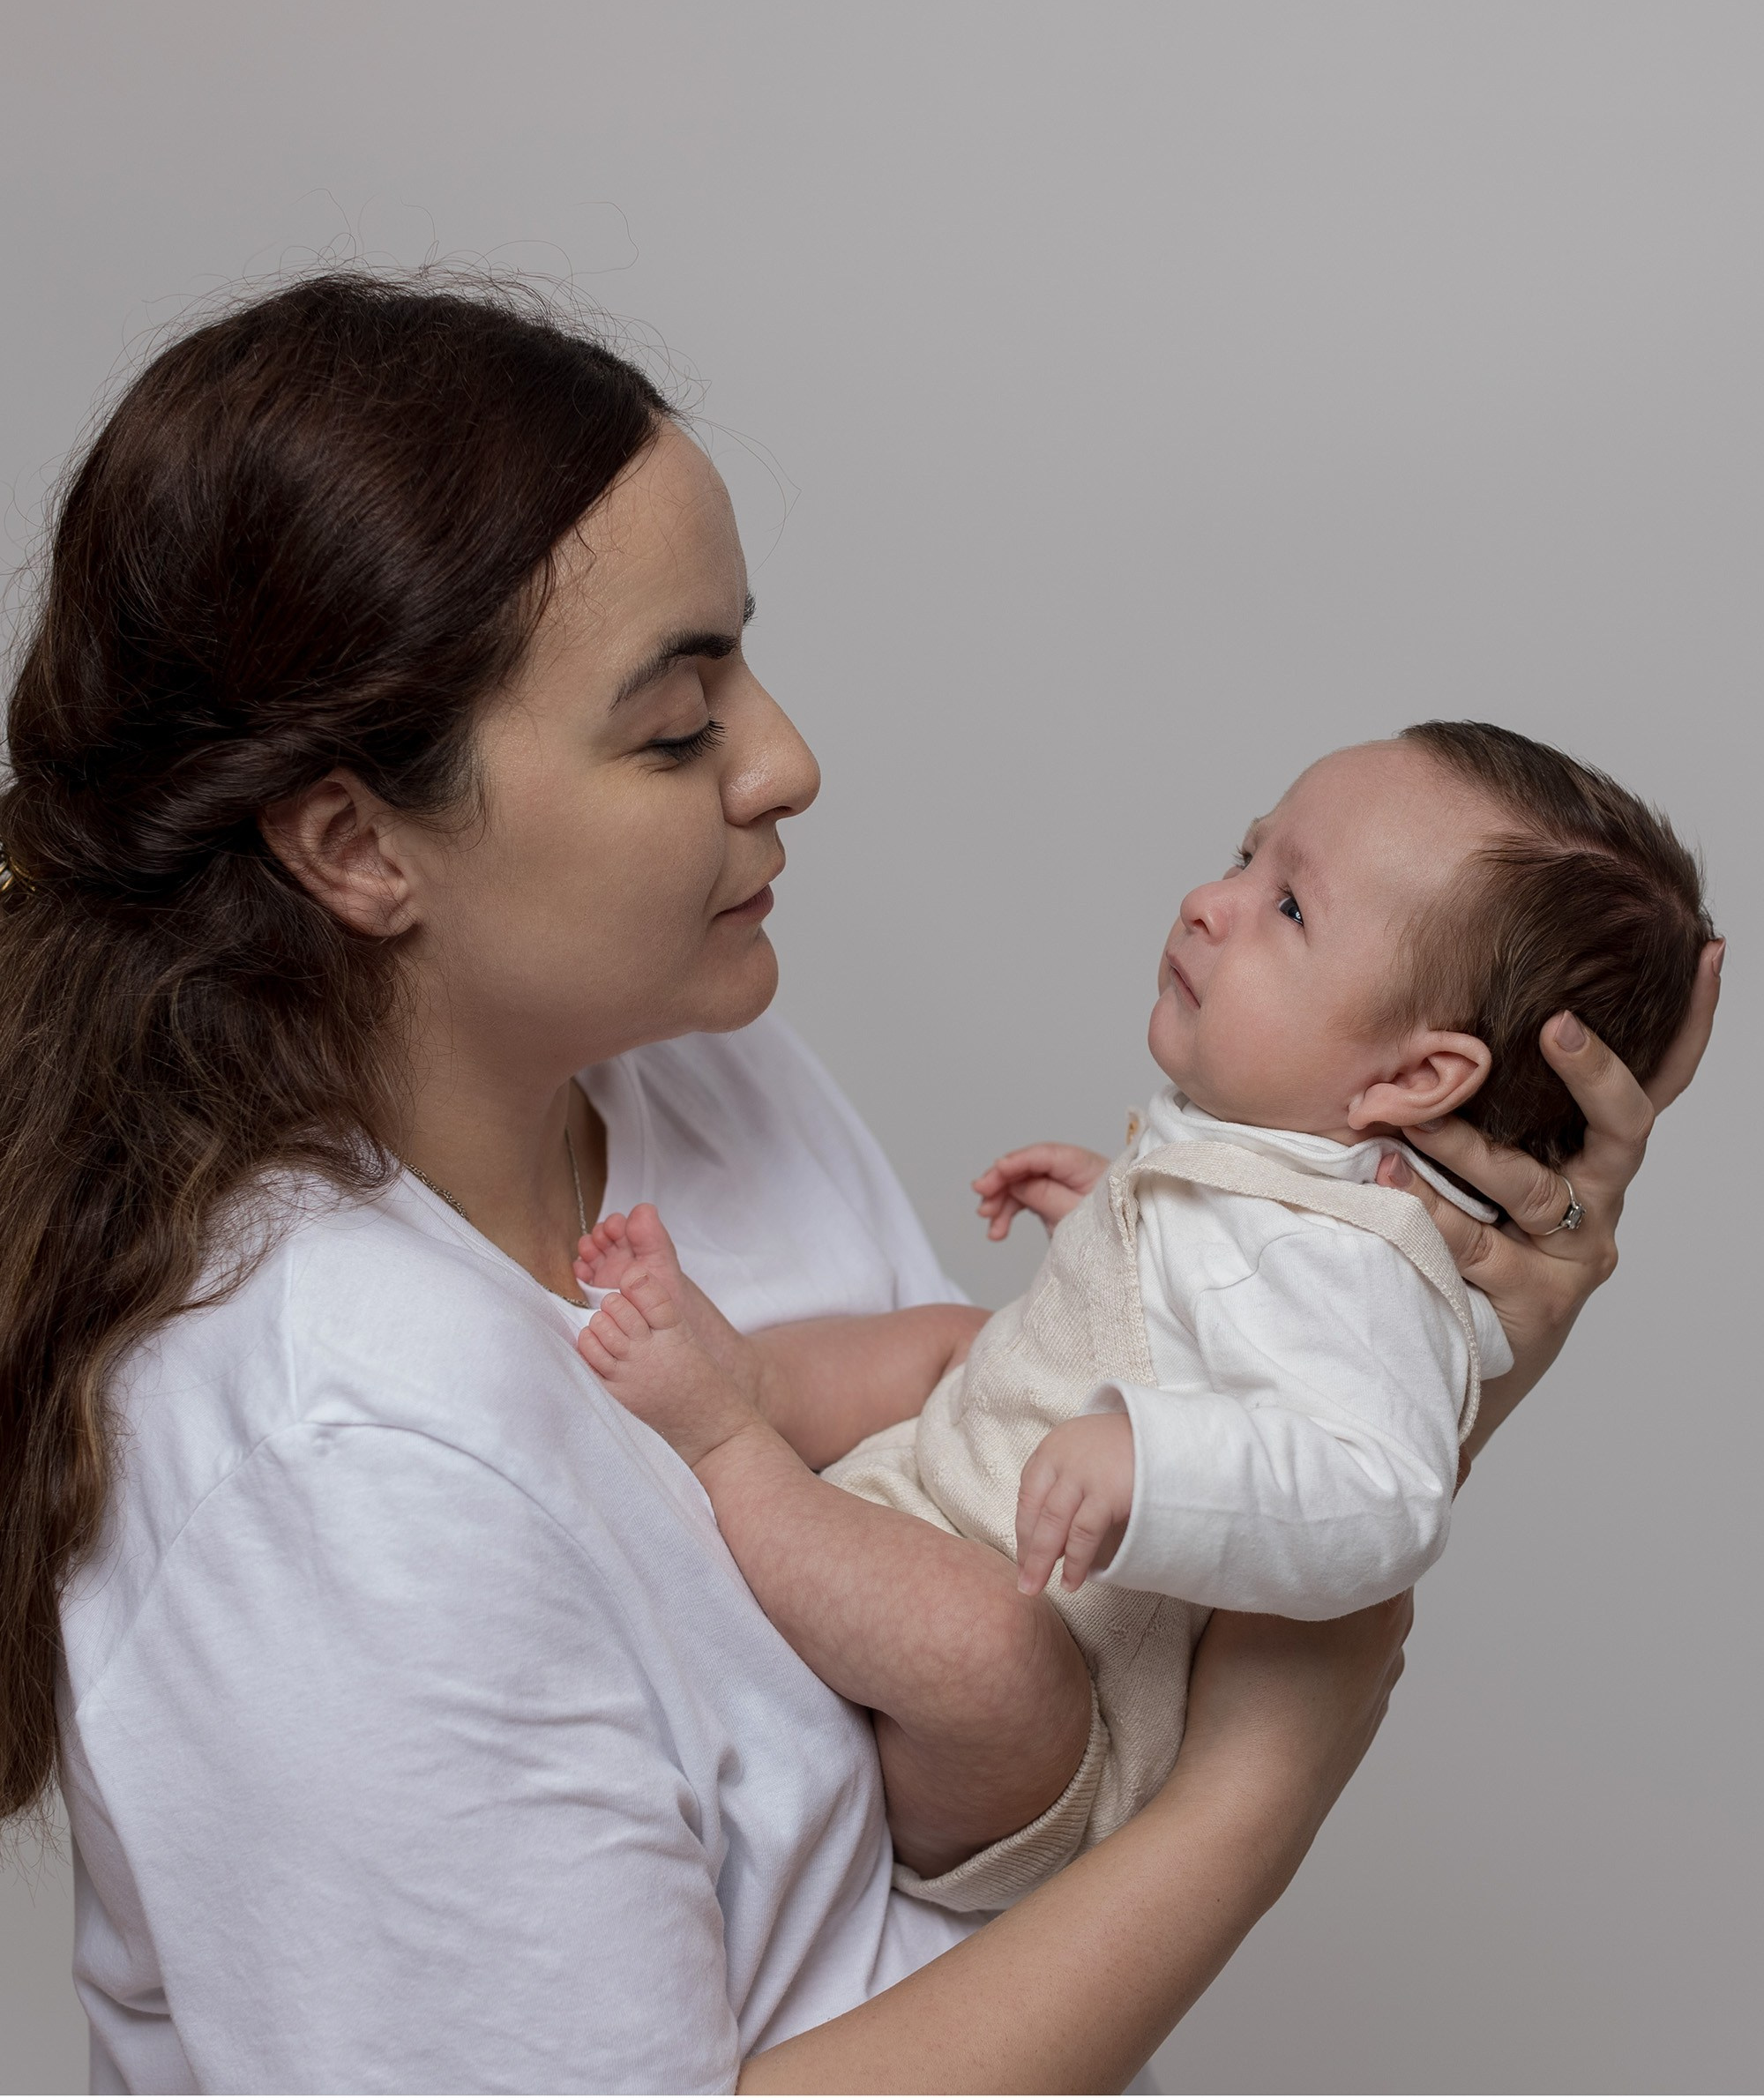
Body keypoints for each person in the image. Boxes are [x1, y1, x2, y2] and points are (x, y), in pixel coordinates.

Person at [0, 271, 1719, 2094]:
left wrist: (1426, 1321)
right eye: (678, 724)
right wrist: (1257, 1787)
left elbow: (1039, 1594)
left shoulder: (693, 1066)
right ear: (356, 844)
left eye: (742, 662)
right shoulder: (340, 1461)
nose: (788, 761)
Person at [573, 720, 1714, 1910]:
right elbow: (1210, 1306)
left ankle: (726, 1440)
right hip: (964, 1498)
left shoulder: (1354, 1261)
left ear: (1416, 1080)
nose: (1210, 903)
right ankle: (756, 1380)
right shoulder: (1266, 1158)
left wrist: (1155, 1469)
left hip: (1042, 1731)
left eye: (1290, 909)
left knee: (980, 1647)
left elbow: (1383, 1494)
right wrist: (1108, 1222)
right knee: (952, 1341)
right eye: (1245, 856)